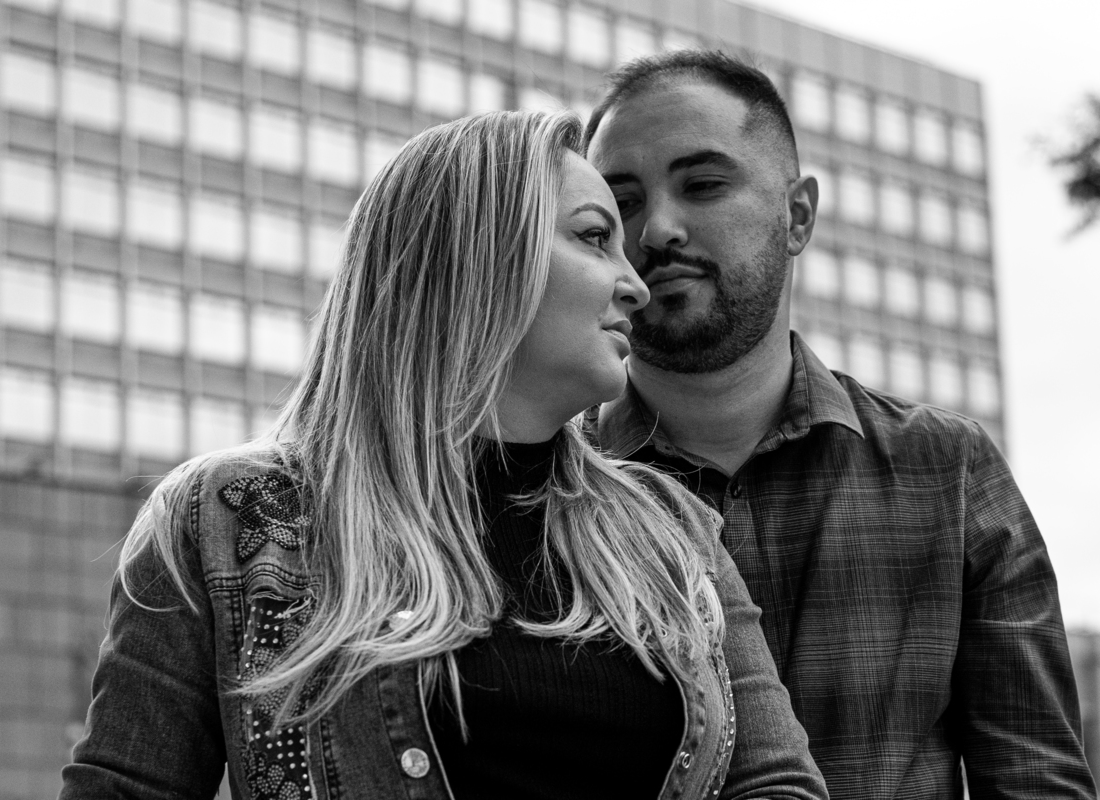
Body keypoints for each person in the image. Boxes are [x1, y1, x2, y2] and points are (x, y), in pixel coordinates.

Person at [60, 110, 828, 800]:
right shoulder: (226, 518)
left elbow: (778, 783)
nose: (636, 286)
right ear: (478, 253)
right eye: (596, 237)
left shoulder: (676, 535)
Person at [583, 49, 1096, 800]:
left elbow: (1036, 783)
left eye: (703, 185)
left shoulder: (949, 471)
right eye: (621, 203)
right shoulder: (536, 485)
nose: (656, 230)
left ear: (797, 217)